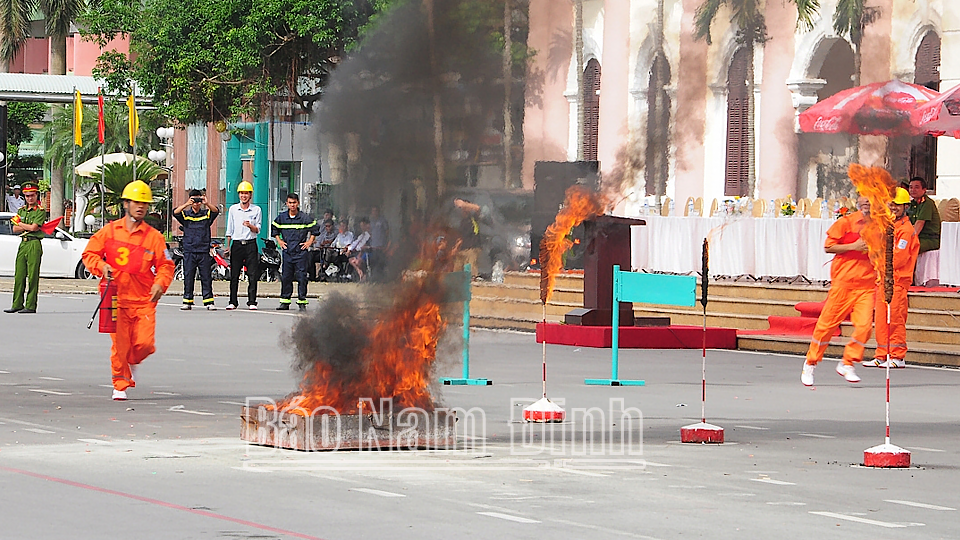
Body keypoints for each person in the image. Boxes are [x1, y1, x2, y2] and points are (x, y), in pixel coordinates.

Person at [81, 180, 174, 401]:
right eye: (136, 202)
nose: (140, 206)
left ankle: (132, 361)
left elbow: (166, 265)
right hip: (116, 299)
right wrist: (102, 266)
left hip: (144, 300)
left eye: (144, 203)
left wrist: (160, 284)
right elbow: (89, 254)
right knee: (119, 344)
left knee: (145, 344)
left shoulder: (154, 237)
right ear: (126, 204)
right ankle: (120, 383)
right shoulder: (110, 232)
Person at [801, 195, 875, 386]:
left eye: (871, 197)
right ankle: (810, 363)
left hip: (866, 285)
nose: (867, 201)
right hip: (843, 284)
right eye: (864, 197)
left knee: (865, 327)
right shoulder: (847, 222)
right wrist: (854, 246)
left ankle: (848, 362)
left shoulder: (880, 225)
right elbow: (828, 246)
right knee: (826, 326)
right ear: (858, 200)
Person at [863, 188, 919, 369]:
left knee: (895, 319)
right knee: (881, 319)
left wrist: (880, 260)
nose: (893, 207)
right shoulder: (888, 227)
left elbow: (899, 258)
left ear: (905, 207)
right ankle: (882, 354)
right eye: (891, 204)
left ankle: (897, 356)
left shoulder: (906, 230)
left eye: (897, 204)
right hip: (883, 280)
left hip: (897, 281)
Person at [173, 189, 219, 310]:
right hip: (189, 250)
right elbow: (175, 212)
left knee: (206, 277)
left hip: (203, 250)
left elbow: (216, 211)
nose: (196, 203)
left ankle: (209, 301)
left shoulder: (206, 213)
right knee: (188, 276)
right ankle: (187, 301)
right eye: (194, 200)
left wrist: (206, 203)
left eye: (198, 200)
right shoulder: (186, 215)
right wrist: (187, 204)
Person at [4, 182, 45, 314]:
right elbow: (15, 229)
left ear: (36, 195)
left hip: (34, 243)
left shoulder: (40, 211)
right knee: (19, 275)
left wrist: (22, 224)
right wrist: (26, 226)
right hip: (23, 243)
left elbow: (34, 228)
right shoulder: (21, 210)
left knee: (33, 276)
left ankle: (30, 305)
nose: (29, 198)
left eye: (32, 195)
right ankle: (17, 304)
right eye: (27, 196)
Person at [272, 193, 317, 310]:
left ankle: (302, 302)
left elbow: (315, 229)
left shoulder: (304, 218)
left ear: (298, 203)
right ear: (286, 204)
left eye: (294, 203)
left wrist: (309, 242)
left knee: (302, 277)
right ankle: (285, 302)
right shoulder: (282, 218)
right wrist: (279, 241)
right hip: (287, 252)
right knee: (286, 277)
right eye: (290, 203)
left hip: (301, 253)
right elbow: (274, 229)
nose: (292, 205)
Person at [225, 181, 261, 310]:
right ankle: (233, 301)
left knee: (252, 274)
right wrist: (228, 246)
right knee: (234, 274)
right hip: (237, 244)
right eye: (241, 193)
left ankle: (252, 301)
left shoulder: (256, 210)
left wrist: (250, 226)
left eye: (246, 193)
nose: (243, 196)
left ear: (250, 195)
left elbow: (258, 229)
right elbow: (230, 229)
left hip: (250, 244)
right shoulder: (234, 209)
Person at [906, 177, 941, 253]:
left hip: (929, 239)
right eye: (911, 187)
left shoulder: (927, 203)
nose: (913, 190)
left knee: (908, 247)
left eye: (917, 187)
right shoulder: (912, 204)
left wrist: (907, 239)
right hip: (919, 237)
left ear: (924, 190)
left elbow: (919, 224)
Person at [348, 217, 372, 282]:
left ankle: (365, 274)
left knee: (358, 262)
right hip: (358, 252)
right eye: (361, 226)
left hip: (366, 252)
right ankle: (359, 272)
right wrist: (348, 249)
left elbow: (365, 246)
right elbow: (355, 243)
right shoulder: (361, 235)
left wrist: (359, 254)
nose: (362, 227)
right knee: (351, 260)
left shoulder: (369, 235)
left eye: (363, 225)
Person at [368, 205, 389, 274]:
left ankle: (382, 277)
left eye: (376, 211)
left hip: (381, 245)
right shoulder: (371, 221)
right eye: (373, 211)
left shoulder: (382, 220)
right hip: (373, 245)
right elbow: (369, 231)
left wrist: (384, 241)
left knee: (381, 262)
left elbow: (387, 231)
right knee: (374, 262)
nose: (374, 212)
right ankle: (375, 276)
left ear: (378, 211)